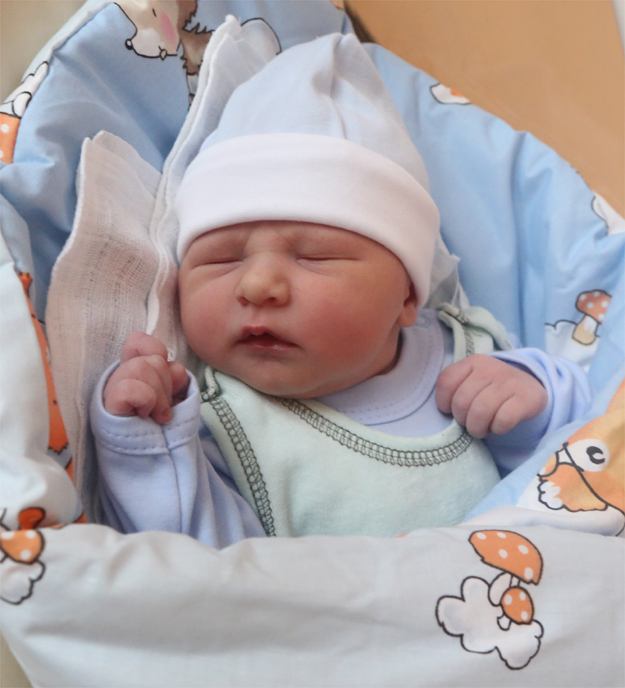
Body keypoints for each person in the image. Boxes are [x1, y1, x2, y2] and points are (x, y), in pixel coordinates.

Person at [90, 33, 591, 547]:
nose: (258, 285)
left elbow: (582, 459)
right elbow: (199, 563)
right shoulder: (218, 424)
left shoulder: (468, 352)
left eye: (314, 256)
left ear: (407, 297)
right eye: (223, 259)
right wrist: (145, 446)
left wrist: (536, 399)